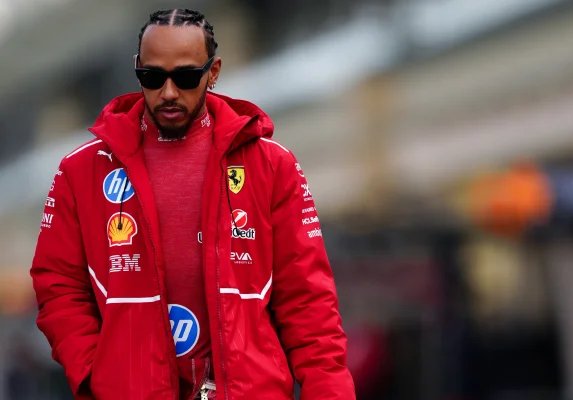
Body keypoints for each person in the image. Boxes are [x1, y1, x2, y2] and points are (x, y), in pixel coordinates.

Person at [30, 8, 355, 400]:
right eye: (152, 77)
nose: (168, 92)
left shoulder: (272, 166)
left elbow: (309, 301)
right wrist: (95, 375)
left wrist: (329, 391)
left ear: (213, 72)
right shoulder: (80, 171)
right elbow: (58, 286)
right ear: (137, 70)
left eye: (185, 77)